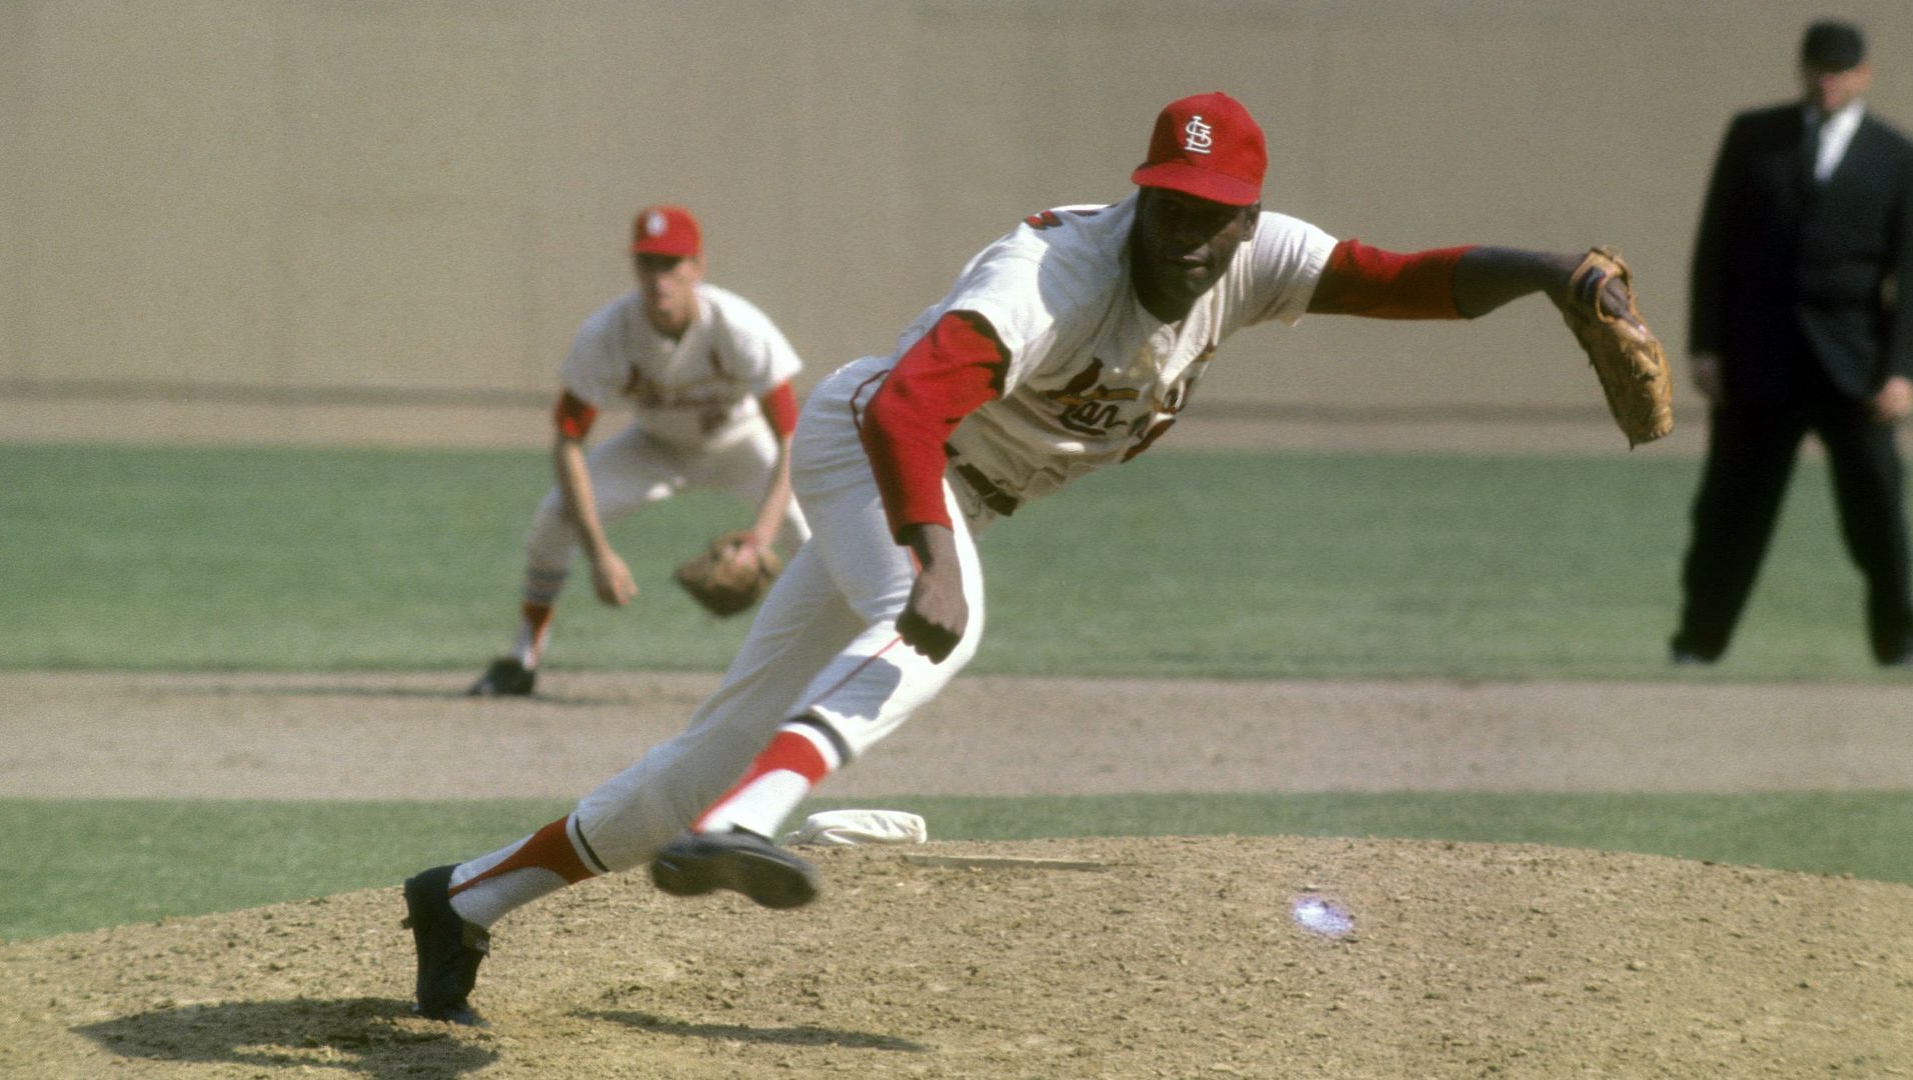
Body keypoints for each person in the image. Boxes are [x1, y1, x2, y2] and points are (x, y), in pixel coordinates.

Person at [403, 91, 1646, 1023]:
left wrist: (1549, 275)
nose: (1183, 231)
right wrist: (932, 551)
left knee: (703, 755)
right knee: (939, 626)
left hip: (947, 484)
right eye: (1165, 200)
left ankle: (462, 901)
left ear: (1246, 220)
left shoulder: (1254, 260)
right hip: (873, 451)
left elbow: (1397, 280)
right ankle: (753, 817)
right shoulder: (1051, 275)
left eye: (1210, 215)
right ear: (1140, 192)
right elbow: (903, 411)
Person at [466, 205, 811, 697]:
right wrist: (598, 553)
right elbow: (568, 440)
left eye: (671, 264)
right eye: (648, 263)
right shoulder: (606, 334)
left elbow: (790, 439)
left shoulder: (739, 327)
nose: (659, 278)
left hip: (741, 442)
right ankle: (522, 658)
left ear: (697, 266)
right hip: (656, 446)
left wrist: (761, 538)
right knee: (554, 516)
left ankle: (833, 663)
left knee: (813, 527)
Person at [1673, 19, 1913, 667]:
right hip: (1760, 362)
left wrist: (1901, 372)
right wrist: (1705, 345)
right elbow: (1714, 245)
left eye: (1841, 69)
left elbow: (1908, 275)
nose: (1828, 81)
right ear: (1803, 69)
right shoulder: (1755, 138)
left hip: (1854, 368)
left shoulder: (1895, 154)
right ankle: (1698, 642)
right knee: (1729, 513)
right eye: (1818, 68)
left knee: (1880, 517)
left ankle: (1899, 642)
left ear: (1864, 74)